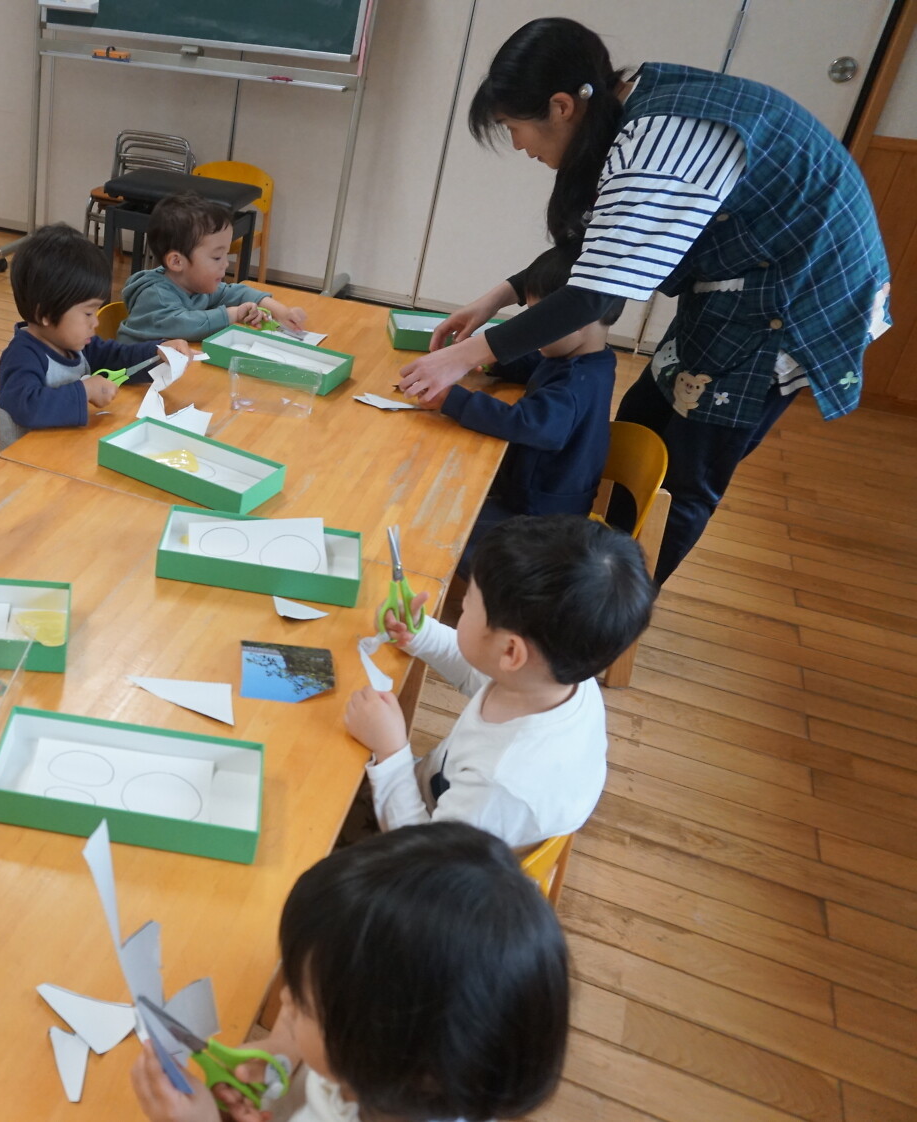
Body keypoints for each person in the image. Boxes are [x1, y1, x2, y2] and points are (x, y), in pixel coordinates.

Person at [396, 17, 892, 584]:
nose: (518, 145)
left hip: (793, 298)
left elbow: (591, 292)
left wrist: (469, 354)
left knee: (685, 476)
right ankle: (589, 573)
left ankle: (607, 608)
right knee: (644, 427)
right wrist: (498, 297)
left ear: (561, 107)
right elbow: (593, 253)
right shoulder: (626, 110)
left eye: (514, 126)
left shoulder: (658, 143)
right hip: (738, 284)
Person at [131, 821, 569, 1122]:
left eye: (304, 1007)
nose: (284, 999)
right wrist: (282, 1049)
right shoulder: (409, 1076)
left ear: (379, 1058)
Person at [343, 515, 653, 850]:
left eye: (466, 605)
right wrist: (420, 635)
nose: (462, 608)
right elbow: (476, 669)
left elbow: (422, 854)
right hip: (439, 805)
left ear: (510, 651)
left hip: (422, 851)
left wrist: (390, 751)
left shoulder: (499, 785)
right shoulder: (557, 679)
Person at [433, 244, 621, 572]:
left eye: (539, 322)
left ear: (579, 319)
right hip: (533, 499)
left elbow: (531, 424)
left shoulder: (576, 383)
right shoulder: (584, 360)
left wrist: (453, 399)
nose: (531, 333)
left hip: (541, 521)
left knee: (440, 534)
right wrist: (493, 363)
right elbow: (536, 364)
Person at [0, 223, 191, 448]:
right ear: (46, 314)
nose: (95, 322)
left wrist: (157, 352)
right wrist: (84, 391)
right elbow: (27, 407)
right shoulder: (22, 356)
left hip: (70, 450)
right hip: (26, 463)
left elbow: (118, 357)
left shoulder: (76, 344)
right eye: (88, 313)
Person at [117, 193, 307, 345]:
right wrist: (233, 314)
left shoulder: (194, 284)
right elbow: (187, 325)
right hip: (134, 377)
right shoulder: (155, 296)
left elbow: (234, 292)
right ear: (177, 262)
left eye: (226, 255)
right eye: (217, 257)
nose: (225, 264)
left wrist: (281, 312)